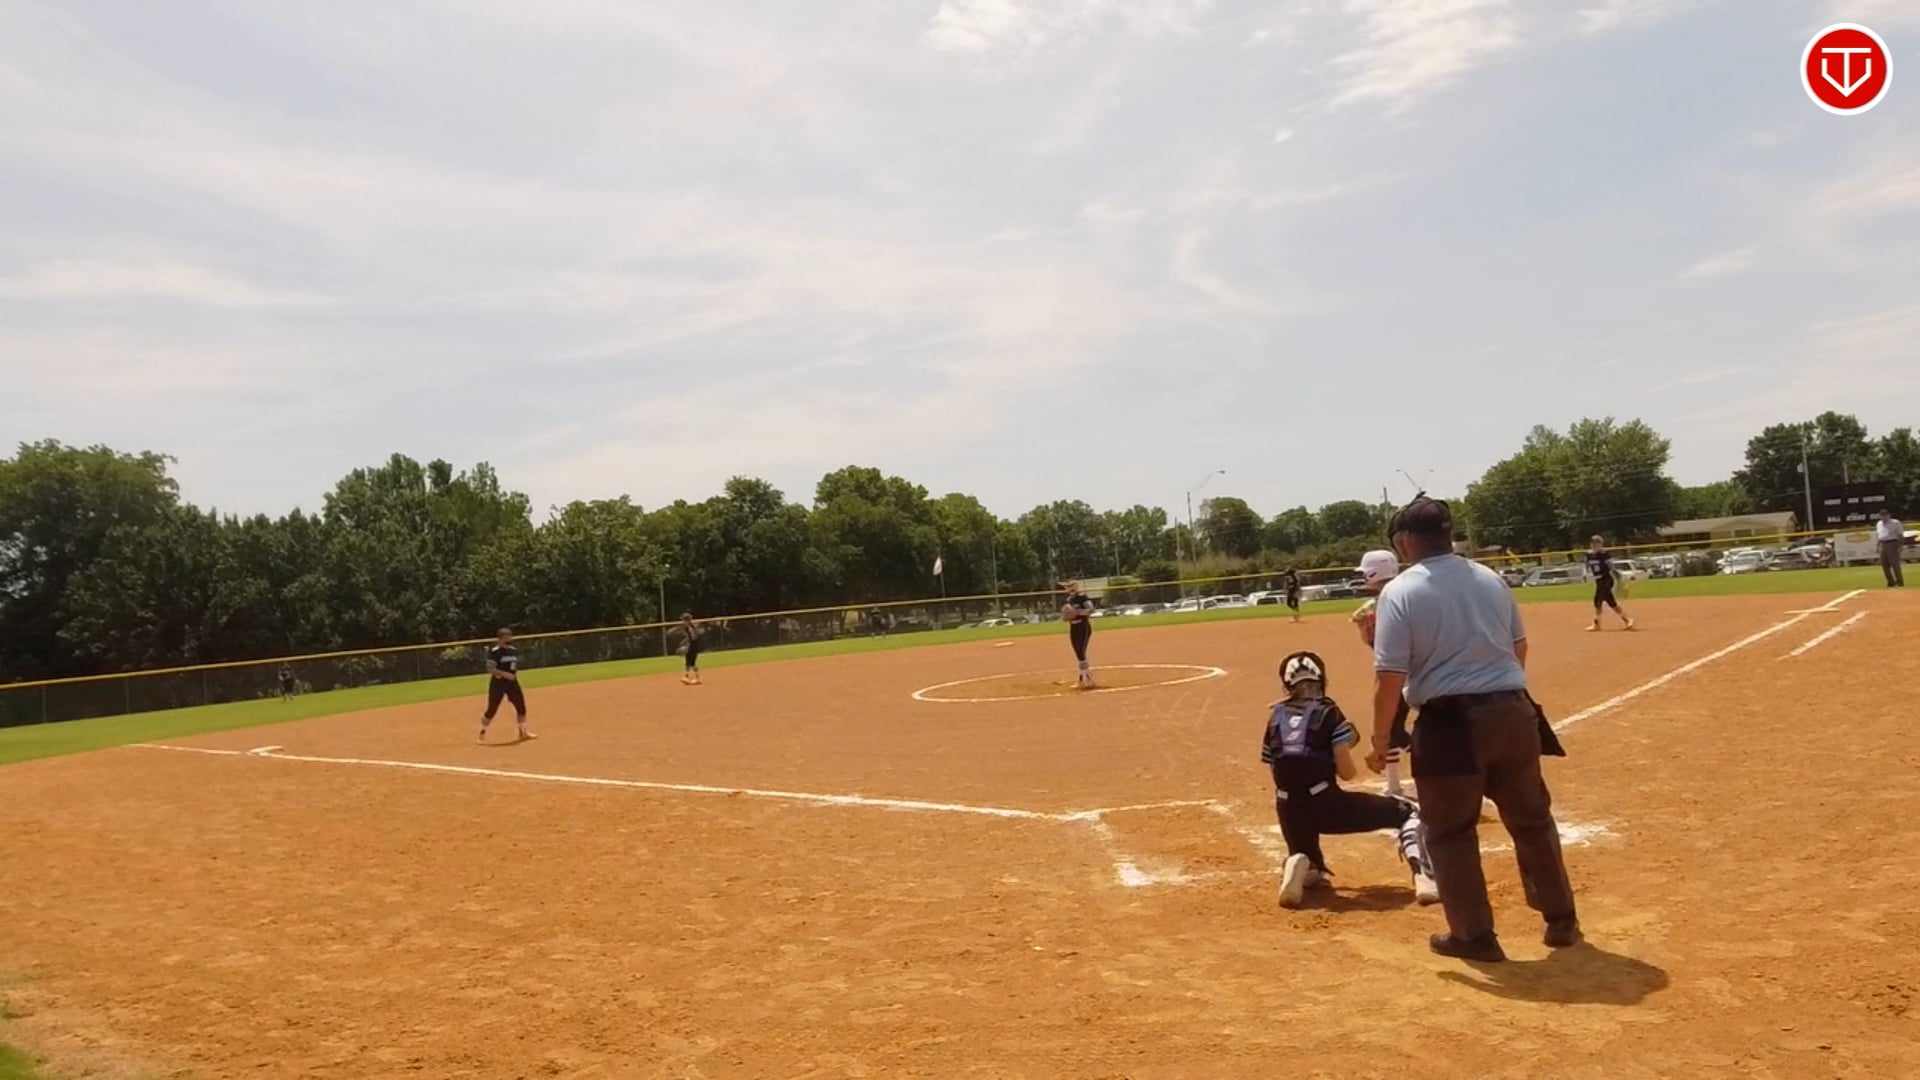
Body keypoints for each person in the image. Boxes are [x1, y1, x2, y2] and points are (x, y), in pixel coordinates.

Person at [1369, 496, 1577, 963]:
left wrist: (1382, 739)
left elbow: (1389, 678)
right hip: (1514, 710)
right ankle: (1561, 918)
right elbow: (1519, 648)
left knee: (1449, 831)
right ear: (1449, 534)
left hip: (1451, 724)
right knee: (1532, 819)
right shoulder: (1490, 578)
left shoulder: (1401, 591)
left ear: (1406, 541)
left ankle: (1474, 936)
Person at [1263, 650, 1438, 909]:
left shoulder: (1275, 716)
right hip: (1325, 804)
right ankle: (1424, 876)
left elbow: (1276, 769)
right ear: (1322, 680)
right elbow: (1347, 772)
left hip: (1289, 809)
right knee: (1408, 812)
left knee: (1311, 862)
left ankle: (1302, 861)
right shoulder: (1328, 712)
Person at [1352, 550, 1411, 798]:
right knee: (1394, 727)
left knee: (1393, 729)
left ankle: (1437, 759)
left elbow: (1375, 645)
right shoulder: (1409, 593)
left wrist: (1365, 627)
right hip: (1420, 673)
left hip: (1401, 677)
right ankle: (1394, 783)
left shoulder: (1378, 605)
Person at [480, 627, 534, 744]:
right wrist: (504, 674)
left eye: (509, 637)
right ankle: (482, 734)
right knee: (492, 709)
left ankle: (523, 732)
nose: (509, 639)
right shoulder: (494, 652)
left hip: (512, 683)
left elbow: (513, 666)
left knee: (521, 707)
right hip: (498, 684)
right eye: (506, 637)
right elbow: (490, 669)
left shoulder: (513, 650)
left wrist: (511, 675)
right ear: (499, 639)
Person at [1584, 535, 1636, 631]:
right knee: (1611, 603)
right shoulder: (1589, 554)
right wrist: (1585, 573)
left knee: (1598, 601)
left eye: (1597, 543)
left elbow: (1610, 564)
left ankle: (1596, 624)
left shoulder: (1604, 553)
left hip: (1606, 580)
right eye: (1593, 543)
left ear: (1601, 544)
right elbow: (1587, 564)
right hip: (1598, 581)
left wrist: (1616, 573)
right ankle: (1628, 620)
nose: (1594, 545)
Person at [1061, 581, 1095, 688]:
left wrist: (1078, 612)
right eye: (1067, 587)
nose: (1070, 588)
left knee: (1081, 652)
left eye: (1072, 586)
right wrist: (1066, 617)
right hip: (1073, 627)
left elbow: (1091, 610)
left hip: (1083, 626)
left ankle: (1085, 679)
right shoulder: (1068, 600)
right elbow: (1066, 617)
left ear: (1076, 586)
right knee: (1078, 652)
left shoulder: (1082, 598)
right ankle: (1084, 678)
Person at [1876, 509, 1906, 588]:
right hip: (1883, 544)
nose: (1884, 517)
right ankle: (1891, 582)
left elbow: (1900, 535)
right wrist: (1877, 546)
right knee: (1884, 565)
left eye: (1885, 515)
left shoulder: (1895, 523)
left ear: (1889, 515)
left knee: (1895, 564)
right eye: (1882, 516)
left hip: (1892, 543)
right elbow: (1879, 536)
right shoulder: (1879, 524)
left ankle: (1899, 581)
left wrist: (1900, 546)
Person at [677, 612, 704, 685]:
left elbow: (692, 638)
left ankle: (687, 677)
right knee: (692, 663)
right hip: (694, 646)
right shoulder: (691, 627)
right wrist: (685, 642)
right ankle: (697, 678)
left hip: (692, 646)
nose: (682, 622)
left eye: (683, 620)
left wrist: (686, 646)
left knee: (689, 662)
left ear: (687, 621)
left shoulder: (689, 628)